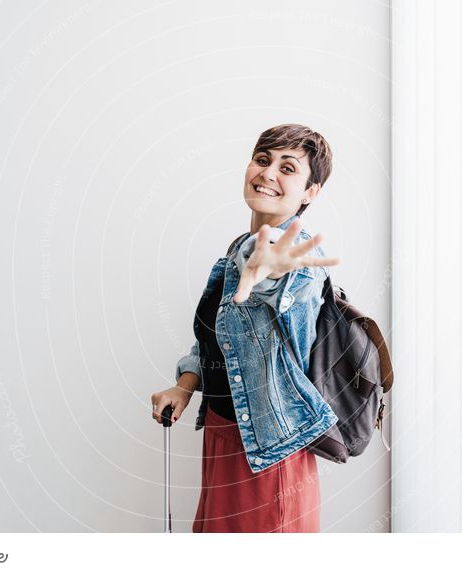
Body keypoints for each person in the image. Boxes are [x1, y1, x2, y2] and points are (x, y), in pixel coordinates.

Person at [150, 124, 341, 533]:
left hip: (271, 452)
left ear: (311, 191)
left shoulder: (299, 258)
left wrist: (268, 275)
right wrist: (184, 386)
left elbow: (284, 290)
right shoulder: (238, 248)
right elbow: (218, 337)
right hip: (223, 438)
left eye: (288, 167)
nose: (269, 173)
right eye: (263, 159)